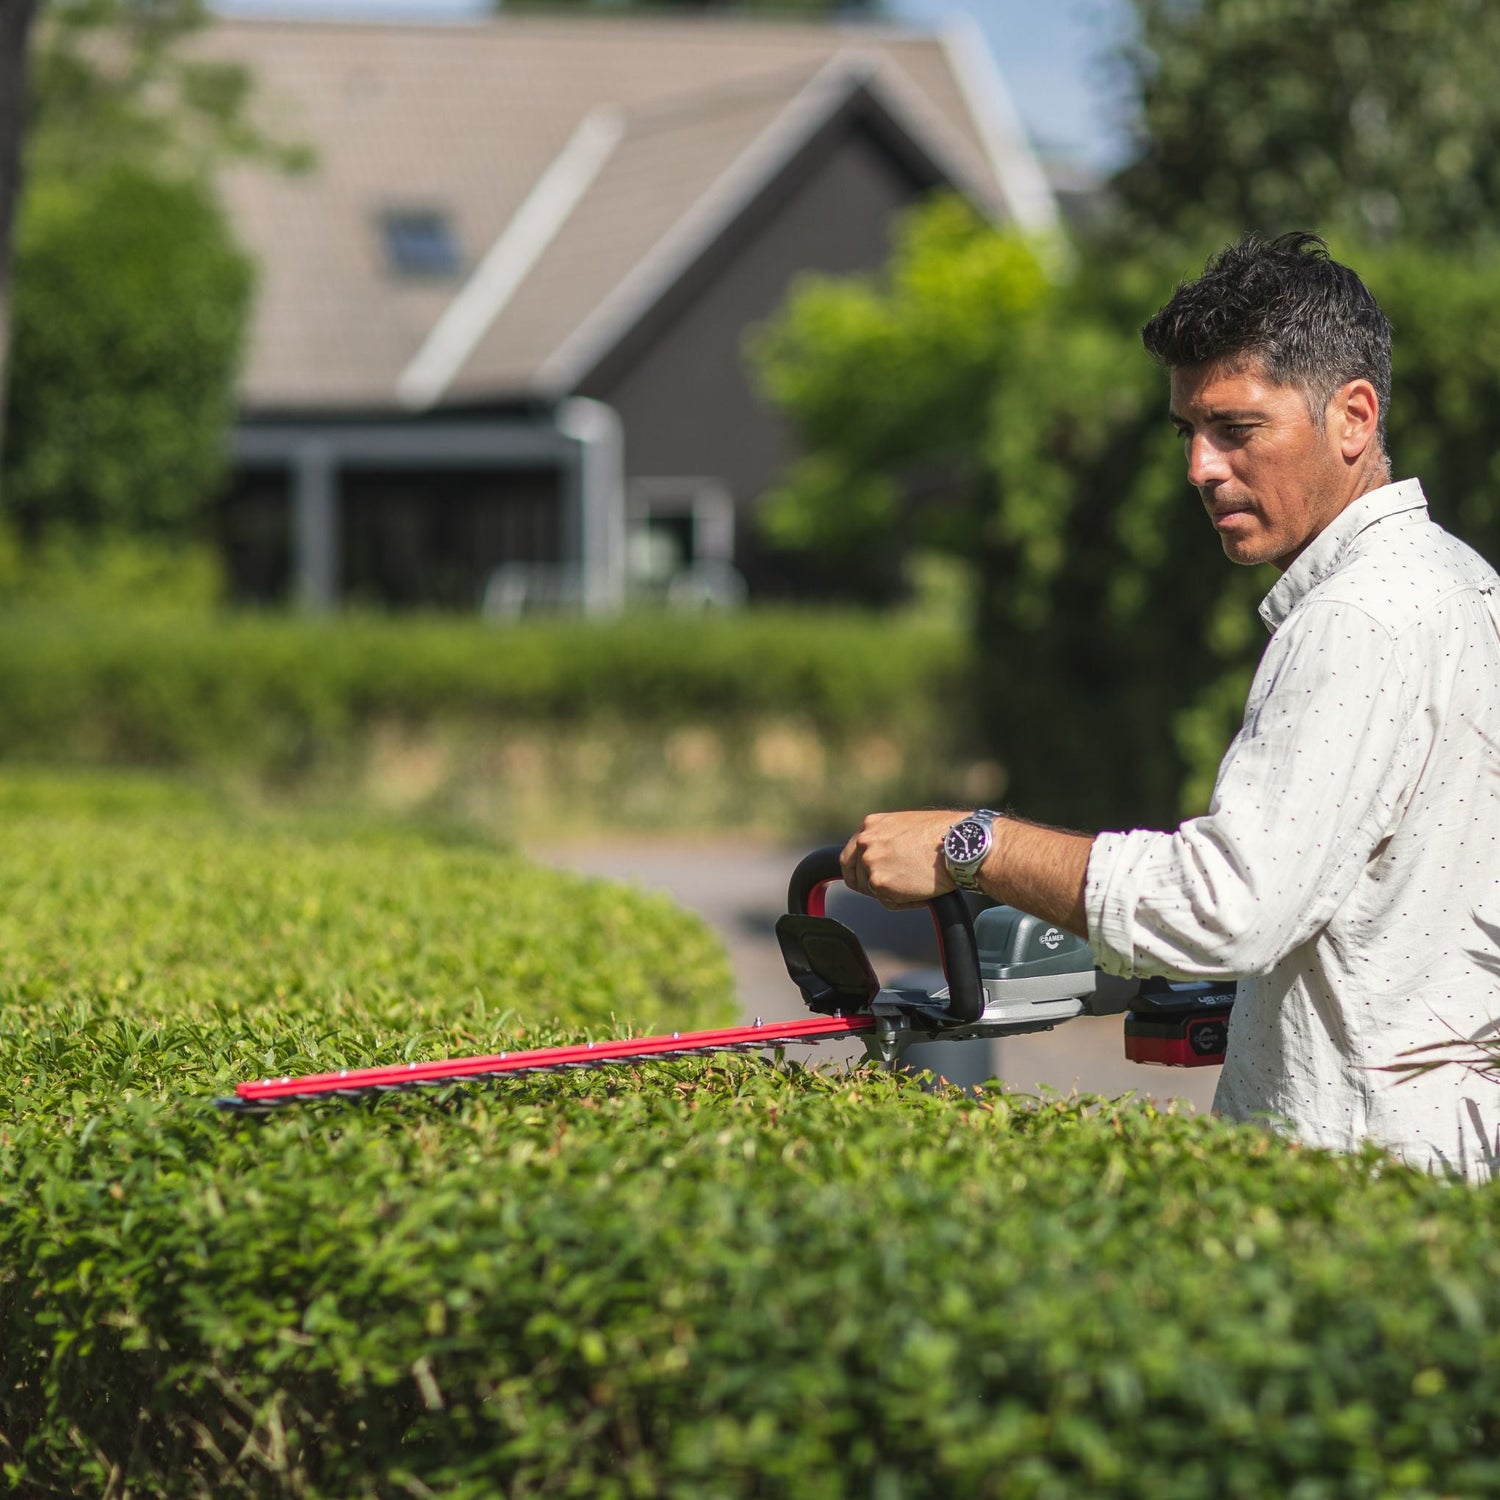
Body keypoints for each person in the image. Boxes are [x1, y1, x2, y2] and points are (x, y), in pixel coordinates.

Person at [842, 232, 1500, 1180]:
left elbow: (1225, 905)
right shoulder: (1459, 584)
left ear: (1353, 416)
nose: (1199, 467)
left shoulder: (1358, 618)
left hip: (1357, 1200)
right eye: (1189, 431)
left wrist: (969, 845)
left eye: (1236, 429)